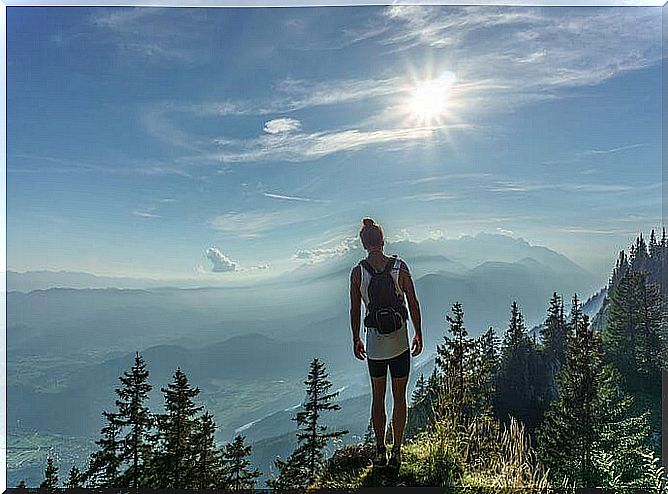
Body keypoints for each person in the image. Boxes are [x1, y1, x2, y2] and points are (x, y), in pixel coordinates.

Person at [349, 217, 423, 468]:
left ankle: (380, 451)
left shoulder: (358, 272)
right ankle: (397, 451)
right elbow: (412, 302)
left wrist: (356, 337)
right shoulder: (400, 267)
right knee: (399, 397)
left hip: (375, 346)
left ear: (363, 243)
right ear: (382, 240)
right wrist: (418, 333)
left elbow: (354, 309)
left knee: (377, 398)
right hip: (400, 342)